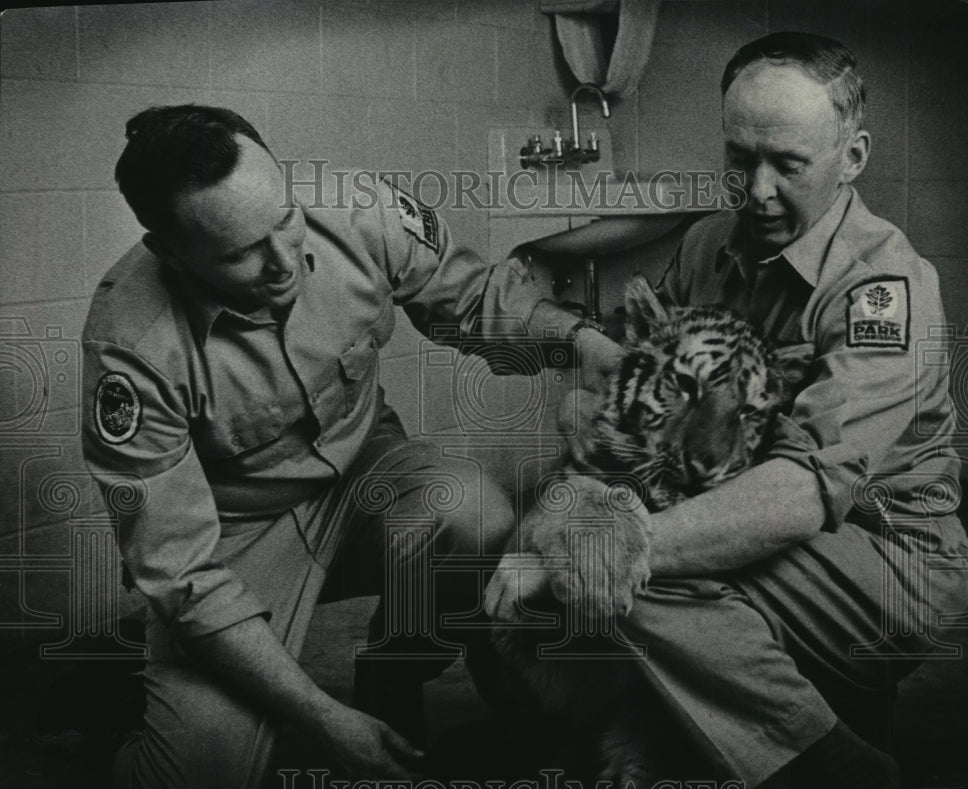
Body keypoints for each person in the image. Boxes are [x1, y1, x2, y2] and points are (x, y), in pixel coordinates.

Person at [487, 32, 968, 789]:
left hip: (886, 550)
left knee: (619, 565)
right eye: (740, 158)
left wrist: (578, 548)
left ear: (853, 158)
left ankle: (836, 769)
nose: (757, 189)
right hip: (749, 513)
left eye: (788, 163)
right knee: (570, 539)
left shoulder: (887, 287)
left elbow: (802, 489)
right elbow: (645, 396)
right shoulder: (711, 241)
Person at [81, 105, 620, 789]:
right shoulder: (131, 344)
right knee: (201, 767)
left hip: (367, 469)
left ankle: (391, 683)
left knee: (476, 516)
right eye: (242, 252)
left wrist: (582, 343)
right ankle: (119, 689)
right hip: (236, 535)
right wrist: (321, 718)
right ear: (171, 251)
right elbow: (182, 568)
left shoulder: (356, 208)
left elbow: (473, 297)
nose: (283, 262)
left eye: (283, 220)